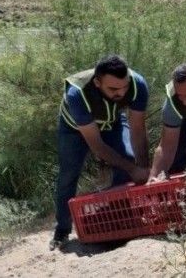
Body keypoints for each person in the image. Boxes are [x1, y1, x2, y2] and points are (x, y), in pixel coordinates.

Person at [52, 55, 150, 250]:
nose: (121, 93)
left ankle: (118, 220)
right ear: (97, 82)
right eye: (113, 89)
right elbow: (97, 146)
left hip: (112, 123)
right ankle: (62, 231)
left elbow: (138, 129)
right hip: (75, 129)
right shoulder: (77, 93)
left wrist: (143, 168)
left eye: (124, 87)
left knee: (128, 161)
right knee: (68, 176)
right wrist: (133, 169)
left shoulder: (138, 85)